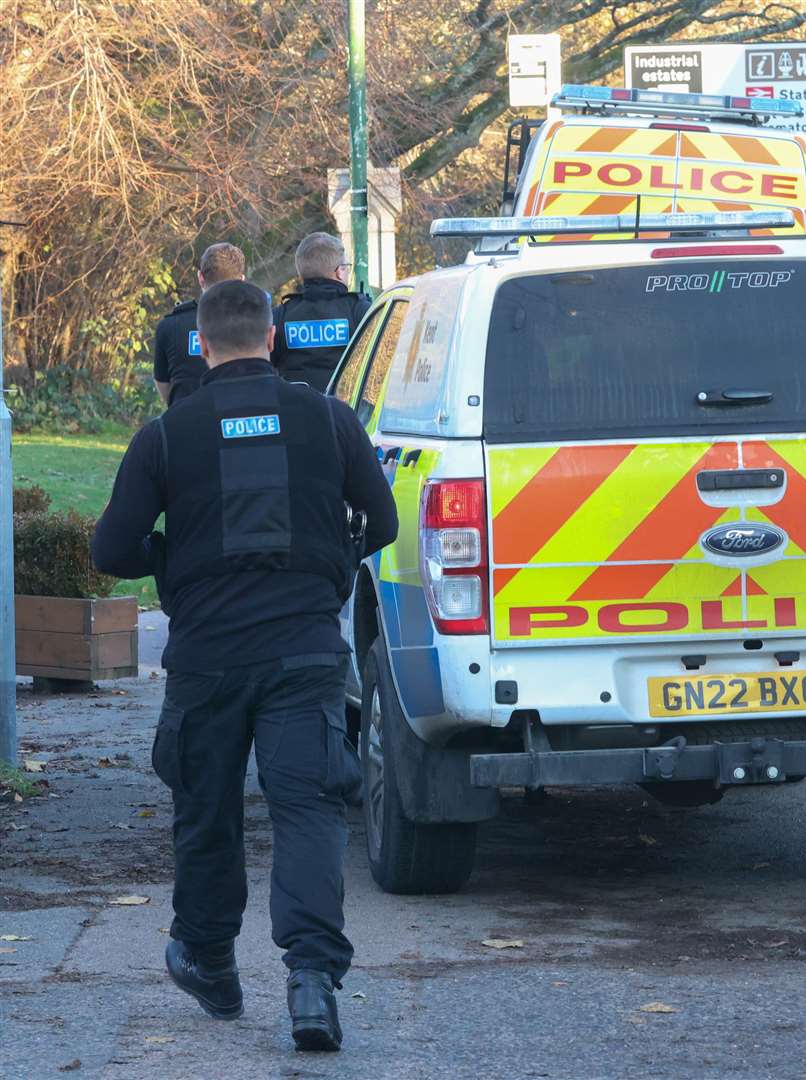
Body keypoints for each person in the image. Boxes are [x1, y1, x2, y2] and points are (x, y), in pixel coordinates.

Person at [92, 280, 398, 1052]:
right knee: (308, 813)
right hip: (303, 653)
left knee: (207, 810)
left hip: (208, 661)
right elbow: (383, 521)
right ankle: (311, 982)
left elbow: (109, 551)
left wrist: (172, 560)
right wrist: (328, 569)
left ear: (202, 340)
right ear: (271, 339)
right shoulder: (329, 420)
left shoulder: (168, 434)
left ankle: (208, 959)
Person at [271, 232, 371, 393]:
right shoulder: (359, 311)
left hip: (297, 410)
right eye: (346, 268)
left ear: (301, 273)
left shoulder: (280, 316)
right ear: (339, 272)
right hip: (348, 411)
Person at [152, 243, 246, 406]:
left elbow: (164, 385)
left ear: (200, 277)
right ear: (242, 280)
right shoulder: (257, 323)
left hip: (187, 423)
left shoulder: (170, 325)